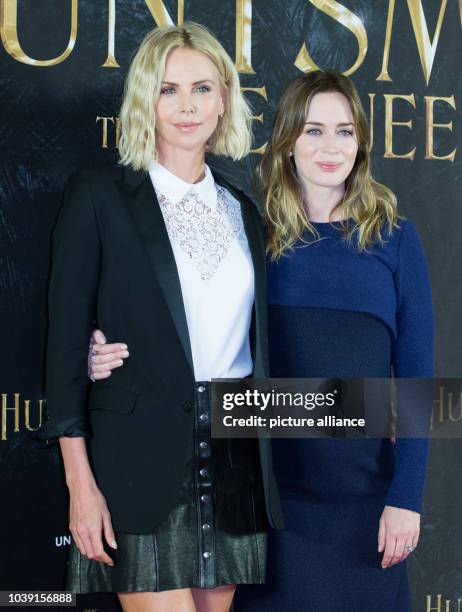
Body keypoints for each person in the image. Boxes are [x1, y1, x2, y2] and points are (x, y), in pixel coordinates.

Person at [91, 69, 434, 611]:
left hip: (365, 508)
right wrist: (101, 351)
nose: (330, 147)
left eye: (345, 131)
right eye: (313, 130)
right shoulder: (251, 233)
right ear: (287, 140)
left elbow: (416, 383)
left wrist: (406, 499)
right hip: (270, 507)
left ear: (362, 142)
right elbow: (190, 326)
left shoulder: (394, 239)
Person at [33, 22, 283, 612]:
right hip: (140, 457)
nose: (187, 106)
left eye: (202, 88)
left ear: (224, 97)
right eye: (168, 89)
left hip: (234, 450)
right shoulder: (99, 196)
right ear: (146, 98)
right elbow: (64, 350)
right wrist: (80, 485)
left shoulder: (243, 209)